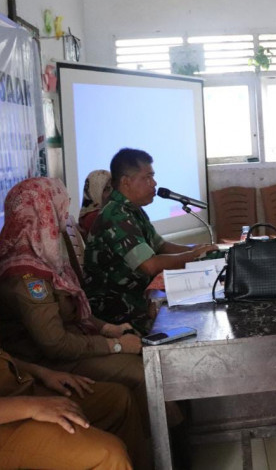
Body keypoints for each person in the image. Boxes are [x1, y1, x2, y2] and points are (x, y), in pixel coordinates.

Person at [0, 177, 148, 430]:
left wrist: (106, 329)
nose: (63, 216)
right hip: (45, 363)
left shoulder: (46, 261)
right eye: (57, 208)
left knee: (145, 360)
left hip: (70, 346)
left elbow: (74, 313)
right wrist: (115, 346)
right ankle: (166, 449)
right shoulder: (26, 275)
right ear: (42, 213)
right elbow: (55, 345)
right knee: (141, 372)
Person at [84, 148, 215, 334]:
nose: (154, 183)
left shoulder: (132, 209)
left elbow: (160, 246)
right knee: (196, 324)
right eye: (147, 178)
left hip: (136, 300)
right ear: (126, 182)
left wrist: (196, 249)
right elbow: (149, 265)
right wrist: (192, 256)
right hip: (118, 313)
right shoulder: (116, 216)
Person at [0, 349, 148, 469]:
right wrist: (32, 406)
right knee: (109, 454)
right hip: (8, 418)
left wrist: (42, 373)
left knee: (118, 399)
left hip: (20, 389)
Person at [79, 169, 113, 236]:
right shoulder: (95, 217)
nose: (112, 193)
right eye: (107, 189)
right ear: (94, 191)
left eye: (113, 189)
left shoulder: (91, 215)